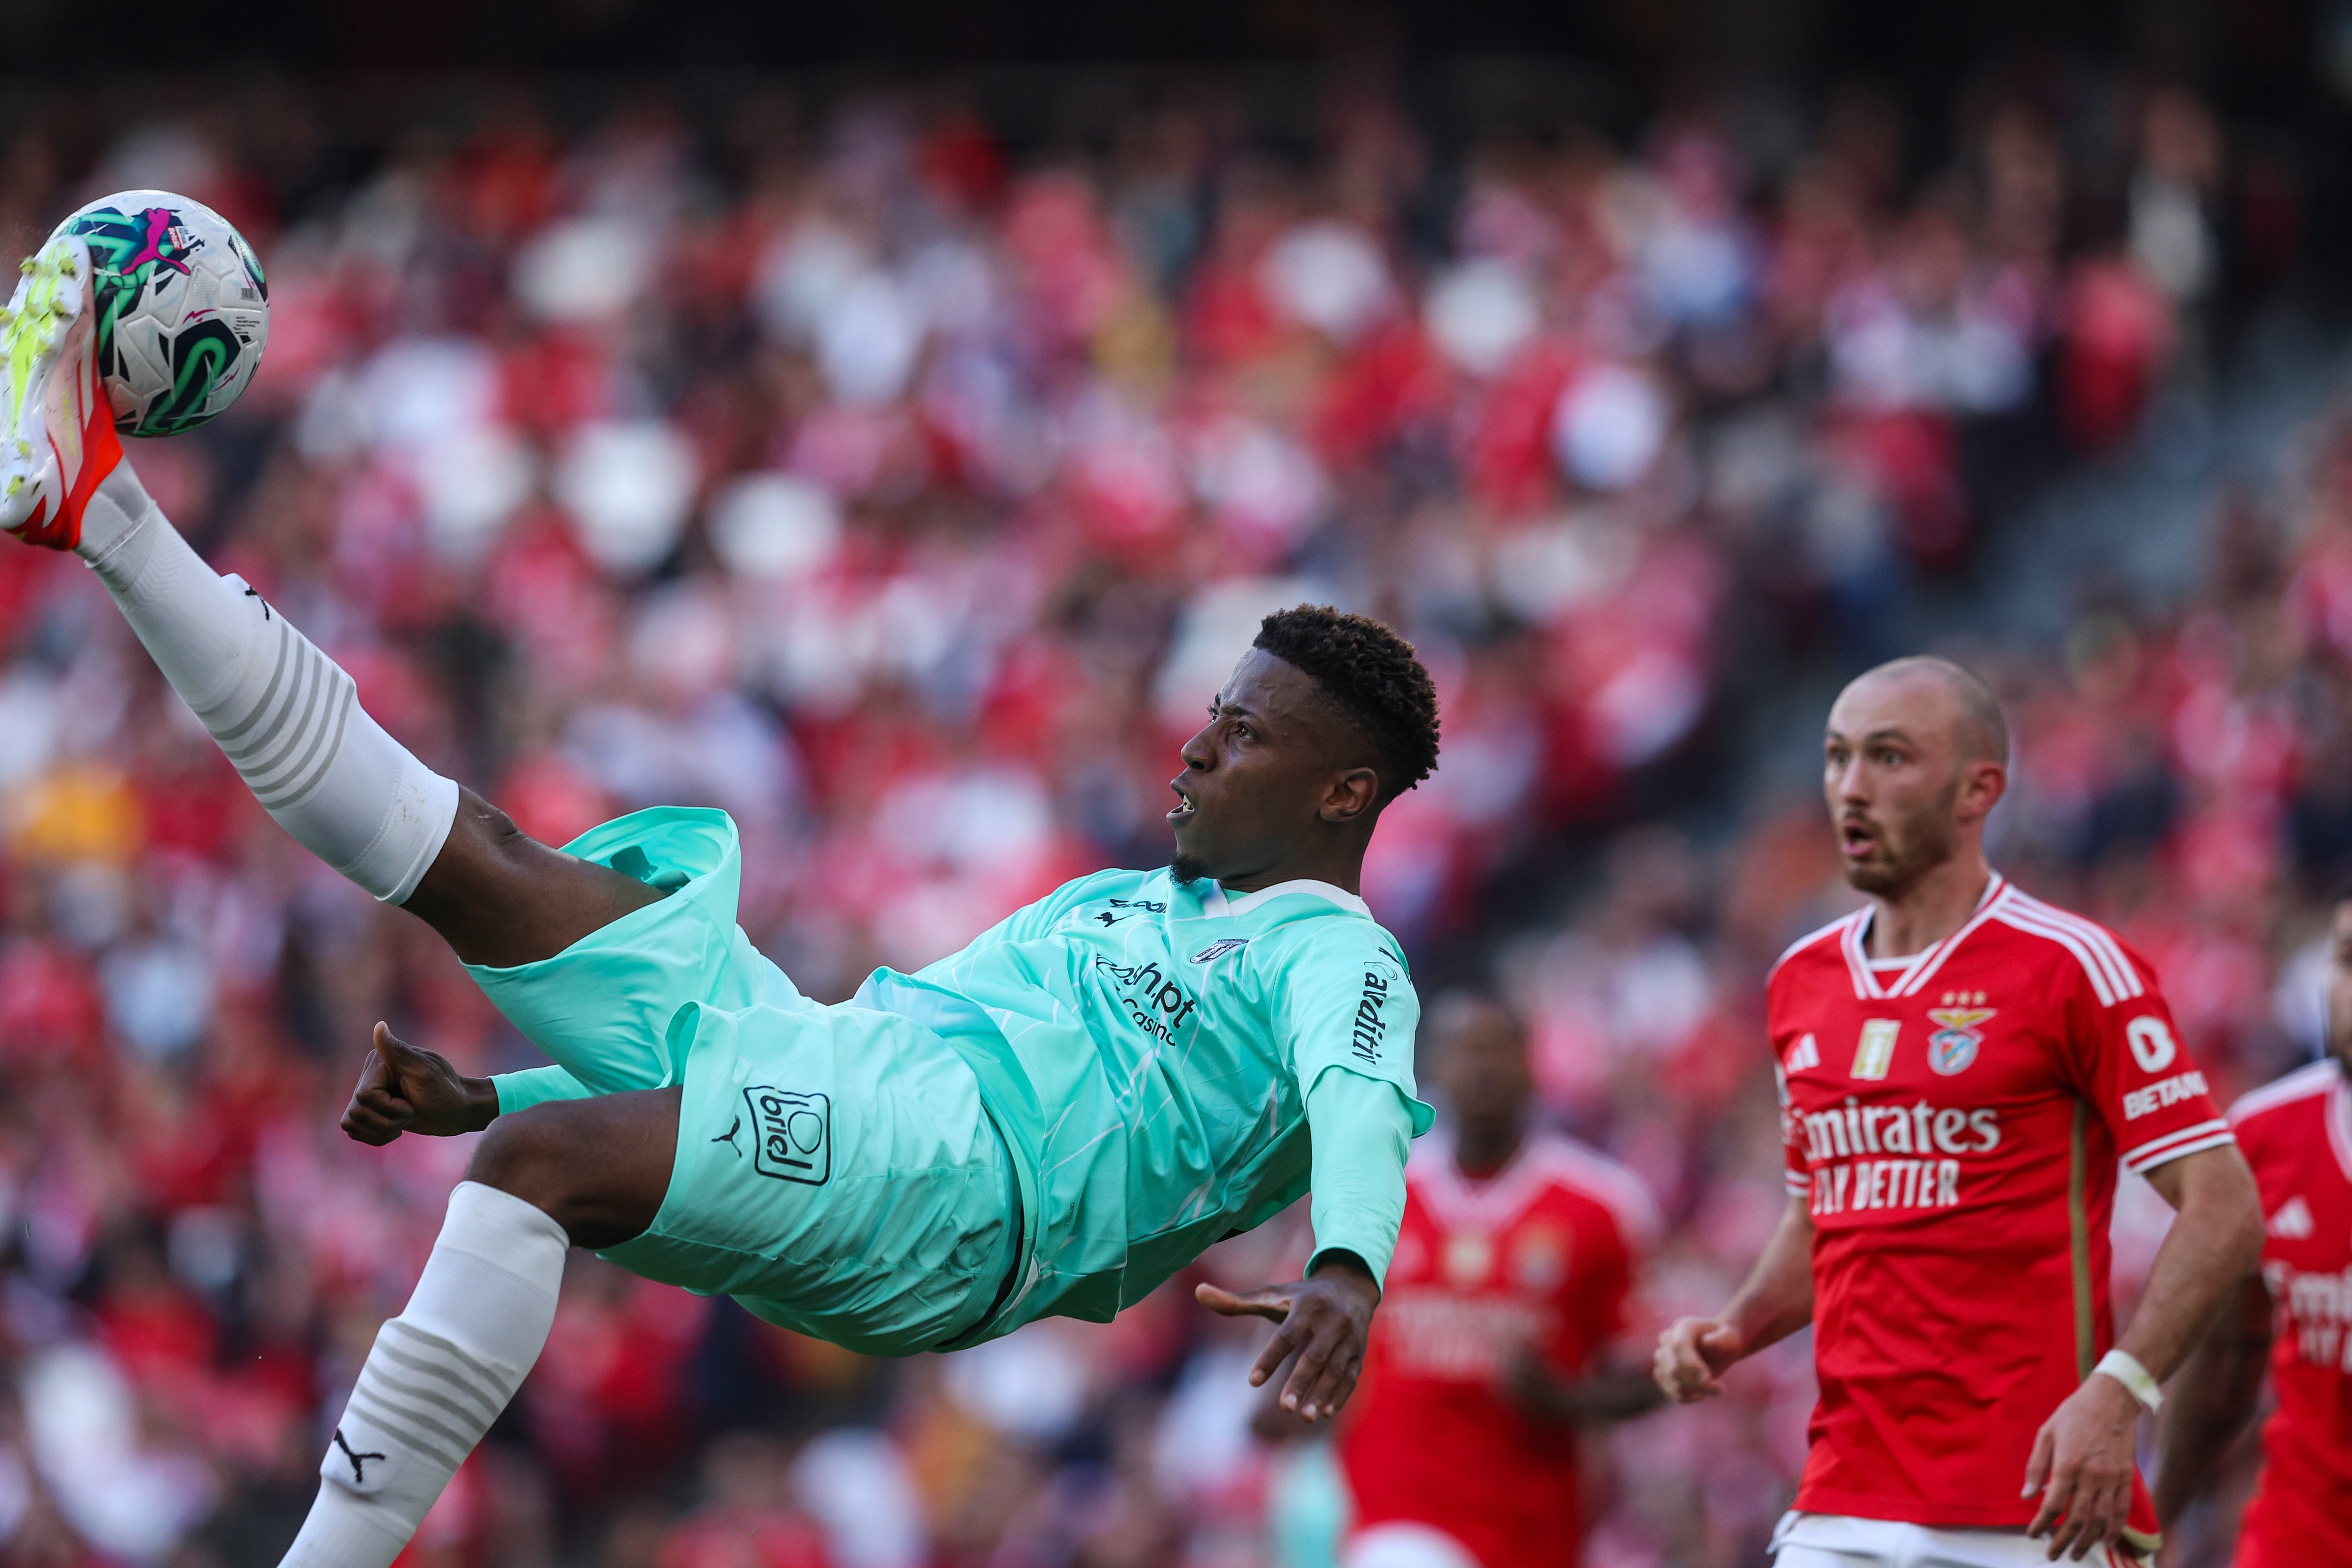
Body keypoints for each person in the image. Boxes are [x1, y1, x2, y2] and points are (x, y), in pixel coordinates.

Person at [0, 236, 1440, 1568]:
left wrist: (1346, 1266)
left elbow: (1360, 1098)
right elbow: (855, 1065)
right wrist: (490, 1092)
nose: (1196, 744)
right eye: (1213, 713)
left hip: (960, 1192)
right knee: (486, 864)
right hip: (845, 1063)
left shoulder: (1338, 951)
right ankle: (98, 501)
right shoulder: (1123, 898)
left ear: (1341, 797)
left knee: (544, 1177)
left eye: (1247, 736)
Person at [1652, 656, 2264, 1567]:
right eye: (1836, 756)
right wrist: (1737, 1326)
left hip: (2028, 1507)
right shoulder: (1800, 981)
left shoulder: (2072, 968)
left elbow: (2225, 1206)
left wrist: (2119, 1389)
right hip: (1844, 1497)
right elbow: (1822, 1214)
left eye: (1890, 758)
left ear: (1981, 788)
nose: (1852, 787)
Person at [1300, 993, 1663, 1568]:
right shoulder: (1376, 1196)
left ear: (1529, 1065)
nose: (1481, 1068)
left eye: (1496, 1051)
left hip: (1533, 1524)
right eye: (1463, 1052)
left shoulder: (1600, 1206)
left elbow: (1653, 1375)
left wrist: (1563, 1400)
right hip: (1396, 1510)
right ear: (1432, 1068)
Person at [2153, 888, 2352, 1566]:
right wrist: (2161, 1514)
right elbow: (2228, 1359)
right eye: (2348, 959)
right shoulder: (2266, 1134)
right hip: (2298, 1542)